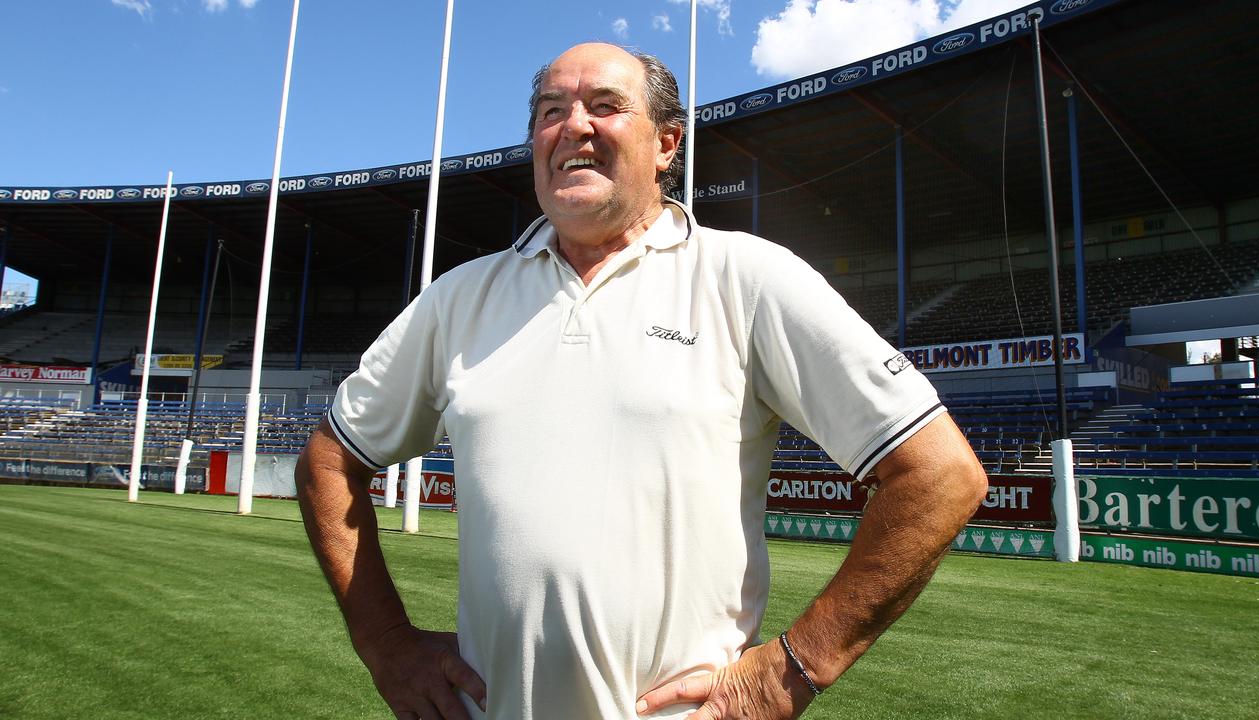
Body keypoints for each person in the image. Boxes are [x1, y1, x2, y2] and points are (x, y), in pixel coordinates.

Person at [296, 42, 987, 720]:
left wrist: (799, 665)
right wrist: (385, 643)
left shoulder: (743, 277)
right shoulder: (458, 299)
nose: (574, 127)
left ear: (666, 144)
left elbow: (940, 474)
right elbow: (329, 459)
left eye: (605, 106)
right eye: (550, 111)